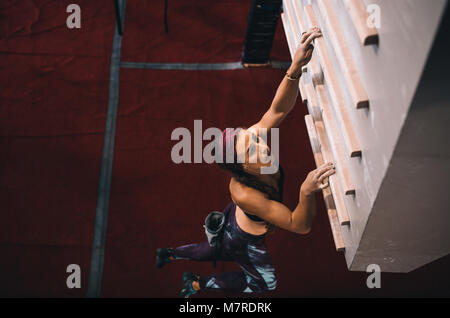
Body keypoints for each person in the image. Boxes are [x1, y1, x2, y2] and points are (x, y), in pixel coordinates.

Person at [156, 27, 335, 297]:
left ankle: (170, 254)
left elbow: (278, 109)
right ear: (240, 167)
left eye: (254, 141)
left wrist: (295, 68)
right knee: (264, 283)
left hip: (238, 219)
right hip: (243, 236)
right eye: (251, 152)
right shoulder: (244, 193)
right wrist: (306, 191)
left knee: (217, 248)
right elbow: (299, 224)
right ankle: (194, 284)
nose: (262, 146)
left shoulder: (250, 142)